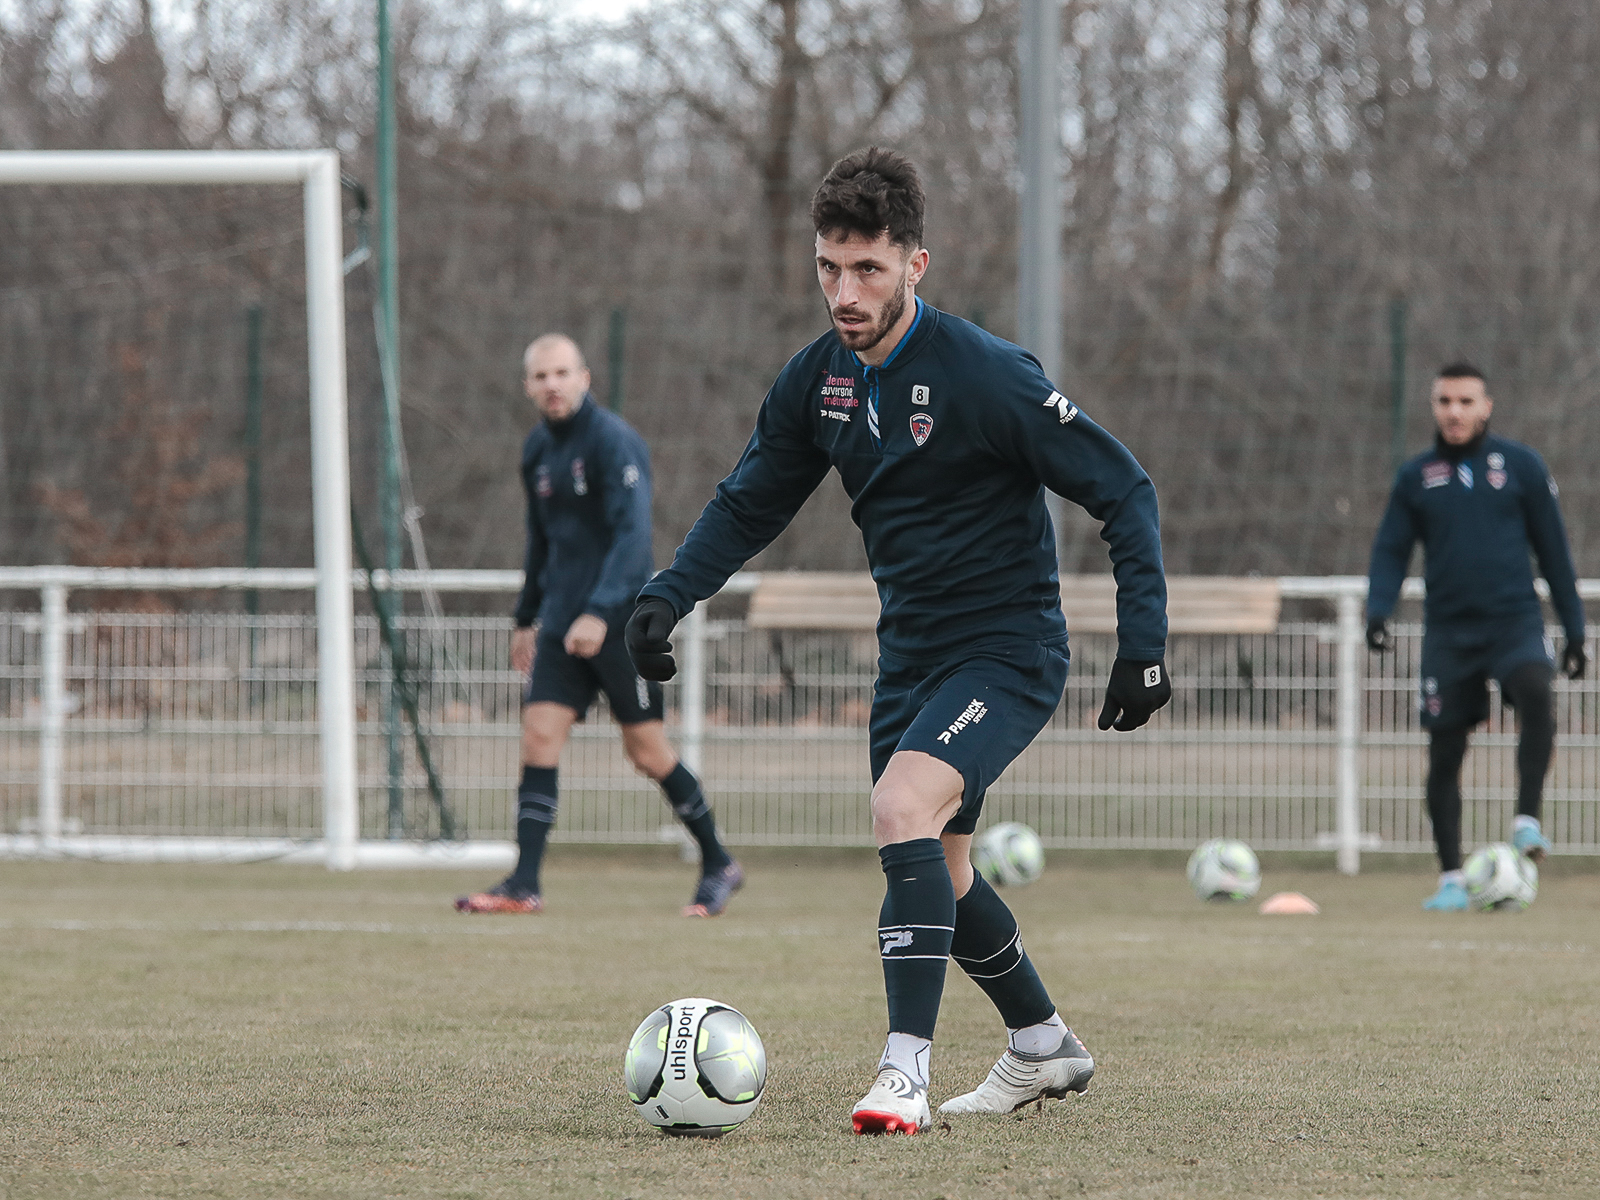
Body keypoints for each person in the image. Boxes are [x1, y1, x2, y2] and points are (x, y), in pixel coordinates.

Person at [623, 148, 1170, 1134]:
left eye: (868, 268)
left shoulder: (986, 375)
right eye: (829, 267)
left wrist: (1144, 645)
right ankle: (1042, 1046)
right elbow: (748, 504)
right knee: (943, 871)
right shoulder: (817, 383)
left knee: (897, 805)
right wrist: (667, 598)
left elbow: (1122, 487)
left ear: (917, 264)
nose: (844, 290)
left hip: (1006, 655)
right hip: (909, 660)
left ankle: (901, 1074)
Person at [455, 334, 743, 918]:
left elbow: (634, 539)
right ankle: (524, 884)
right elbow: (541, 542)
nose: (552, 385)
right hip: (561, 624)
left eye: (562, 373)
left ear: (585, 377)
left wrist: (601, 609)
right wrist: (526, 616)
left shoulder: (615, 443)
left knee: (646, 750)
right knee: (538, 738)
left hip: (618, 622)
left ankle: (718, 862)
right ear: (528, 386)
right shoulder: (537, 449)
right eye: (540, 376)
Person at [1366, 362, 1585, 911]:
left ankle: (1527, 821)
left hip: (1514, 621)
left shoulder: (1522, 467)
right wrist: (1378, 609)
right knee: (1444, 754)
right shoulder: (1417, 476)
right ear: (1434, 407)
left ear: (1486, 406)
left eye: (1466, 402)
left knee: (1537, 691)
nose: (1454, 412)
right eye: (1444, 402)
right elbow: (1391, 547)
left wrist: (1575, 628)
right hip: (1449, 632)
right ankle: (1450, 880)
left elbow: (1554, 551)